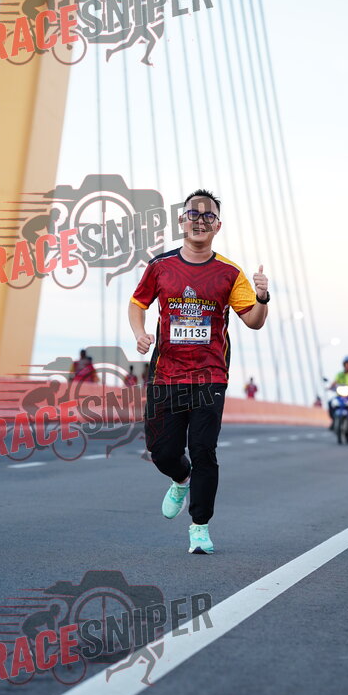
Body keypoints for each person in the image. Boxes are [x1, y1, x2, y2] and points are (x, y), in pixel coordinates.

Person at [128, 189, 269, 555]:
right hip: (165, 375)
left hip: (210, 376)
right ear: (182, 220)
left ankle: (200, 527)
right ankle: (180, 479)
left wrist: (262, 297)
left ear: (217, 226)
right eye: (194, 214)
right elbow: (138, 303)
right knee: (162, 452)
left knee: (204, 450)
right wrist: (140, 333)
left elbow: (254, 321)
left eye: (208, 216)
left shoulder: (229, 273)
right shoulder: (161, 267)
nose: (200, 221)